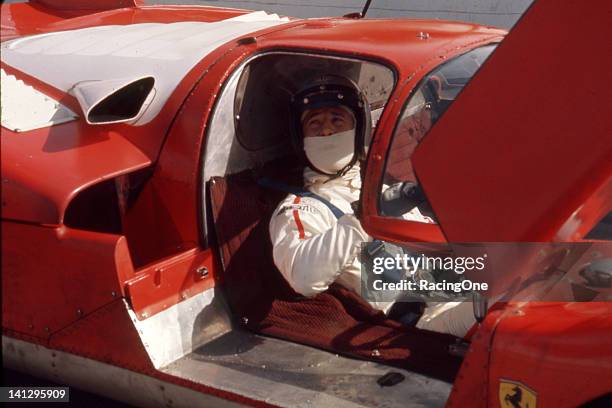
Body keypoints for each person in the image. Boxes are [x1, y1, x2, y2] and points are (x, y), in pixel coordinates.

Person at [269, 75, 475, 338]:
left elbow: (440, 247)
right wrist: (364, 217)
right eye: (315, 123)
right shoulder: (300, 209)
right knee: (513, 313)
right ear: (302, 140)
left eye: (337, 120)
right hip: (424, 321)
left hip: (455, 289)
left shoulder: (380, 189)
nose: (327, 131)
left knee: (536, 283)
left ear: (358, 132)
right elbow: (303, 277)